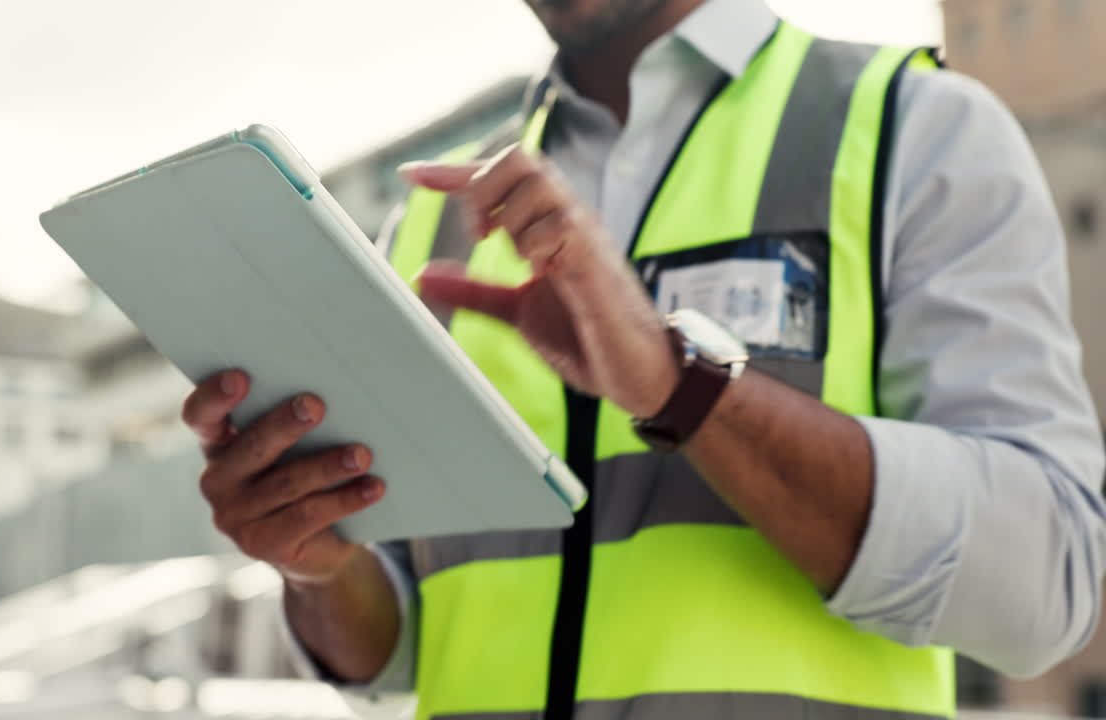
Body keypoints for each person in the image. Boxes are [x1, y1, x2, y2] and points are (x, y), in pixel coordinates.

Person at [182, 0, 1106, 717]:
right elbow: (405, 644)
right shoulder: (431, 219)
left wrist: (680, 386)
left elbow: (1046, 589)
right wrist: (316, 564)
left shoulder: (915, 129)